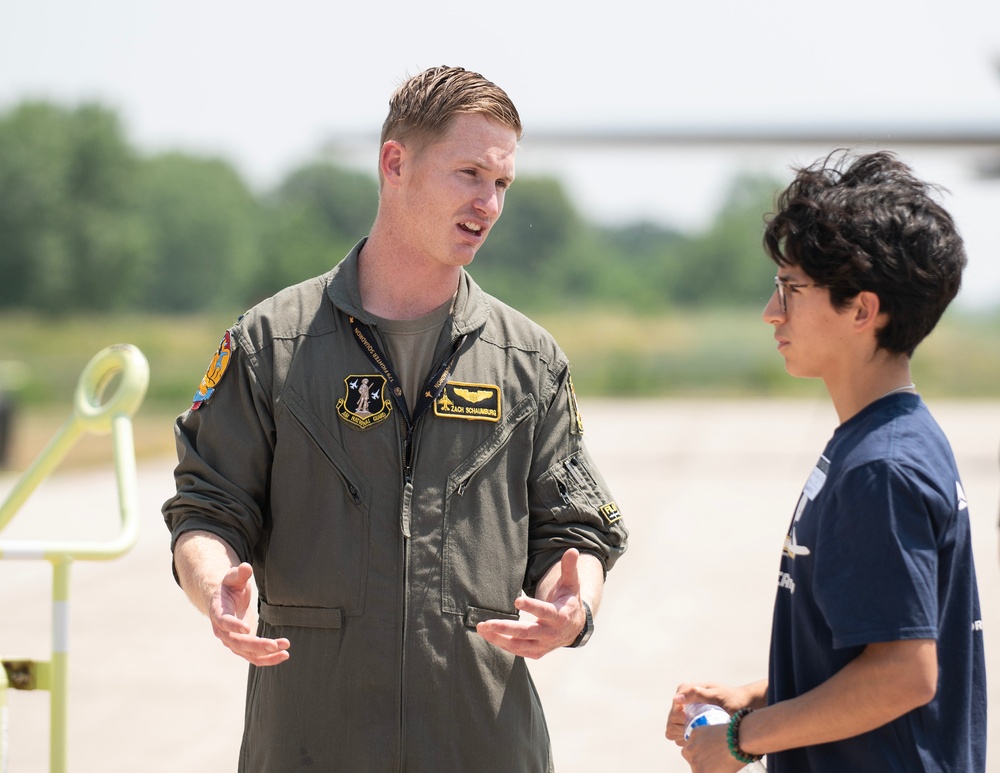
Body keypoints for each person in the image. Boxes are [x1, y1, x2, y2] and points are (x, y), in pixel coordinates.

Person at [162, 65, 628, 772]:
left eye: (502, 183)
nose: (489, 203)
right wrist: (213, 588)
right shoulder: (271, 343)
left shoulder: (528, 359)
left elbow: (576, 526)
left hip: (481, 746)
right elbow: (206, 507)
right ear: (395, 163)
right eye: (469, 173)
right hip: (310, 746)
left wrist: (576, 602)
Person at [665, 150, 986, 771]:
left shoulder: (880, 468)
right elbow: (869, 652)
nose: (771, 312)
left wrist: (741, 739)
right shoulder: (885, 438)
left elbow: (902, 675)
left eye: (791, 289)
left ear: (862, 310)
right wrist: (757, 698)